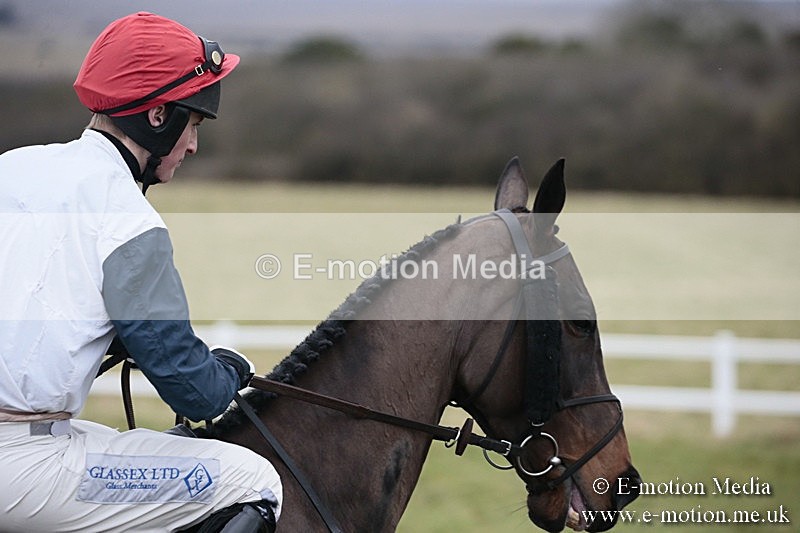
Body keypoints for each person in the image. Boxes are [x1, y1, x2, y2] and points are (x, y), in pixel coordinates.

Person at [0, 12, 281, 533]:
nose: (193, 146)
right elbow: (194, 394)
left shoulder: (13, 167)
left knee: (150, 448)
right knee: (255, 482)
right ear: (158, 117)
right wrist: (228, 371)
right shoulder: (127, 217)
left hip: (33, 447)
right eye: (193, 124)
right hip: (21, 466)